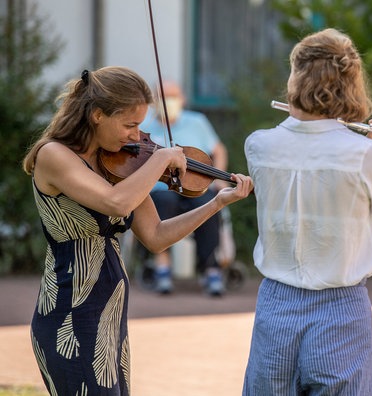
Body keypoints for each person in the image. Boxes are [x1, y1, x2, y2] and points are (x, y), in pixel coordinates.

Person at [22, 66, 253, 395]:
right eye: (130, 125)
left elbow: (157, 237)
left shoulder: (118, 165)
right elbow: (116, 203)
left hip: (109, 316)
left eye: (140, 126)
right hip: (69, 316)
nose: (136, 136)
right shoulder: (54, 156)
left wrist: (217, 203)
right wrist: (162, 160)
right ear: (98, 115)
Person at [242, 28, 372, 395]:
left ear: (295, 78)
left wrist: (361, 145)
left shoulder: (259, 145)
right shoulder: (367, 156)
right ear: (351, 84)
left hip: (275, 306)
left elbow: (314, 169)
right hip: (339, 310)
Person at [139, 80, 231, 296]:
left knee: (208, 205)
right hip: (161, 189)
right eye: (162, 98)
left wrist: (219, 177)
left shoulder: (197, 121)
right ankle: (162, 266)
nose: (167, 102)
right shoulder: (144, 126)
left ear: (182, 100)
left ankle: (210, 268)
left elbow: (218, 150)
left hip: (195, 187)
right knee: (163, 202)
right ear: (154, 102)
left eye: (172, 97)